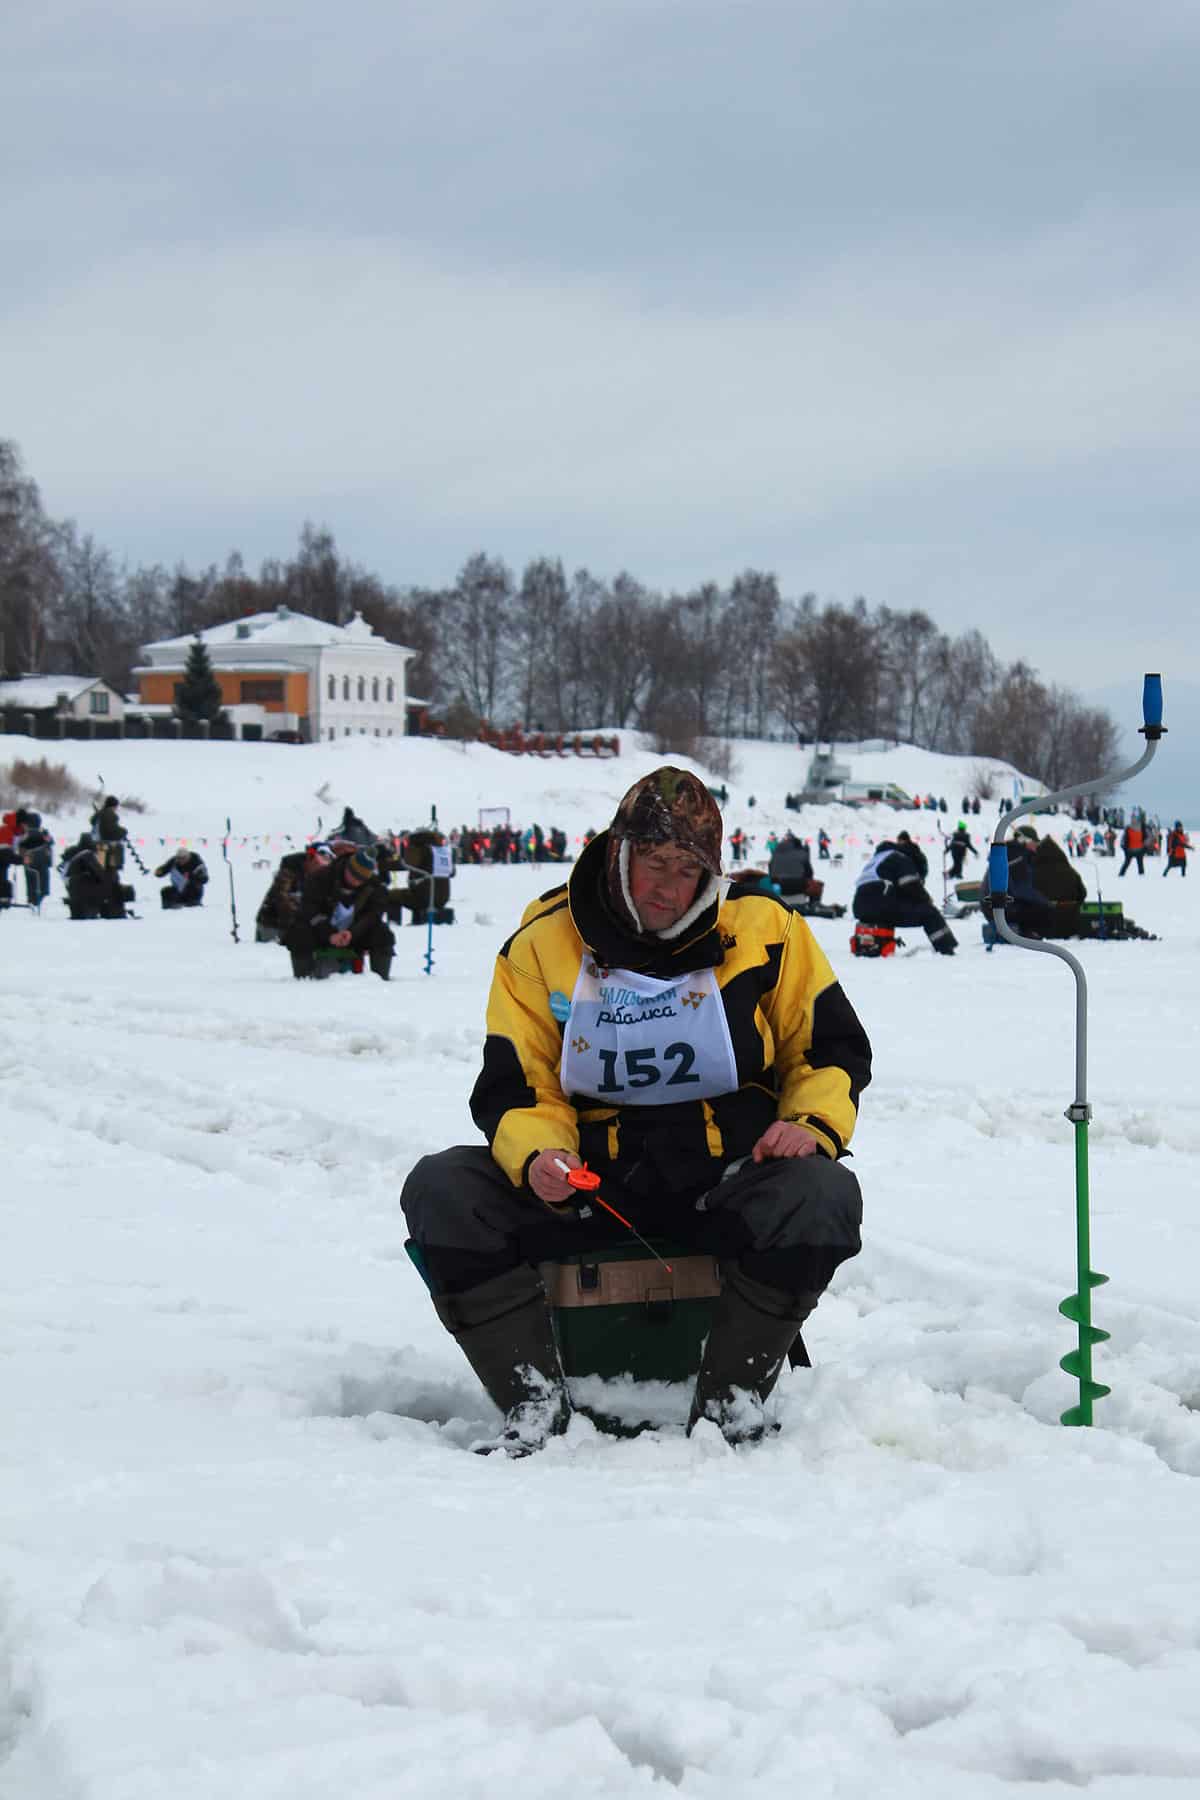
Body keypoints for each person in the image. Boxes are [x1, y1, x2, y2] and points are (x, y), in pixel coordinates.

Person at [401, 766, 871, 1455]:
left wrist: (809, 1125)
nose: (666, 886)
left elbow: (828, 1051)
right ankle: (531, 1398)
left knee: (824, 1194)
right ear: (618, 854)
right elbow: (519, 1081)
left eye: (686, 869)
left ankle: (731, 1398)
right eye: (653, 862)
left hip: (729, 1179)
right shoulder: (540, 943)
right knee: (441, 1189)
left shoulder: (768, 931)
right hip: (590, 1189)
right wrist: (539, 1157)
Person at [285, 844, 395, 979]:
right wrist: (330, 934)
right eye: (353, 875)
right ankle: (303, 978)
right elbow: (309, 911)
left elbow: (373, 915)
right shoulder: (320, 878)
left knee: (383, 933)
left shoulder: (374, 887)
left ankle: (379, 979)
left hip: (354, 934)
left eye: (361, 878)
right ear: (347, 867)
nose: (355, 880)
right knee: (298, 931)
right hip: (321, 930)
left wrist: (352, 933)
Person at [853, 838, 957, 954]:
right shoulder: (898, 857)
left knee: (887, 910)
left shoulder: (873, 862)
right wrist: (926, 899)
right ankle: (946, 948)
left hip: (861, 910)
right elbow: (910, 884)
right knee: (930, 913)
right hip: (882, 908)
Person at [767, 831, 814, 897]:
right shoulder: (801, 853)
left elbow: (770, 867)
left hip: (780, 887)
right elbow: (809, 873)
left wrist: (774, 882)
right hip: (799, 887)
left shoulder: (777, 852)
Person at [91, 796, 128, 870]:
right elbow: (111, 831)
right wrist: (123, 831)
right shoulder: (109, 814)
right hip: (106, 846)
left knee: (100, 868)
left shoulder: (99, 814)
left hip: (96, 844)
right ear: (113, 806)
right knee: (110, 871)